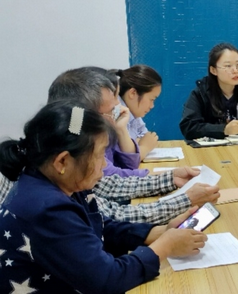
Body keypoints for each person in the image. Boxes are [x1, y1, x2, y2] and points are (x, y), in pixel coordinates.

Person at [0, 101, 208, 294]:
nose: (104, 164)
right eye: (99, 155)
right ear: (62, 162)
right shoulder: (46, 208)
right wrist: (165, 247)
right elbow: (107, 279)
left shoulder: (61, 184)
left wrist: (157, 232)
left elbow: (97, 225)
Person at [43, 66, 220, 224]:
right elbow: (116, 217)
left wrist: (170, 179)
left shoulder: (71, 170)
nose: (120, 113)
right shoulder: (54, 206)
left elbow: (108, 186)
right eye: (111, 111)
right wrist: (184, 202)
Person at [49, 67, 147, 178]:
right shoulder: (76, 140)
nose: (118, 106)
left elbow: (129, 165)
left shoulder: (97, 128)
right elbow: (109, 178)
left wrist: (121, 130)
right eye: (111, 110)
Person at [180, 42, 238, 140]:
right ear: (213, 70)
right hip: (208, 147)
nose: (235, 70)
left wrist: (236, 127)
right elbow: (189, 127)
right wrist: (223, 129)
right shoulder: (201, 93)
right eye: (228, 66)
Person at [115, 65, 162, 160]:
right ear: (132, 93)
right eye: (151, 99)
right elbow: (127, 160)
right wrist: (144, 148)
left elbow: (145, 136)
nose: (152, 106)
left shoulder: (133, 114)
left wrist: (138, 146)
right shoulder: (116, 114)